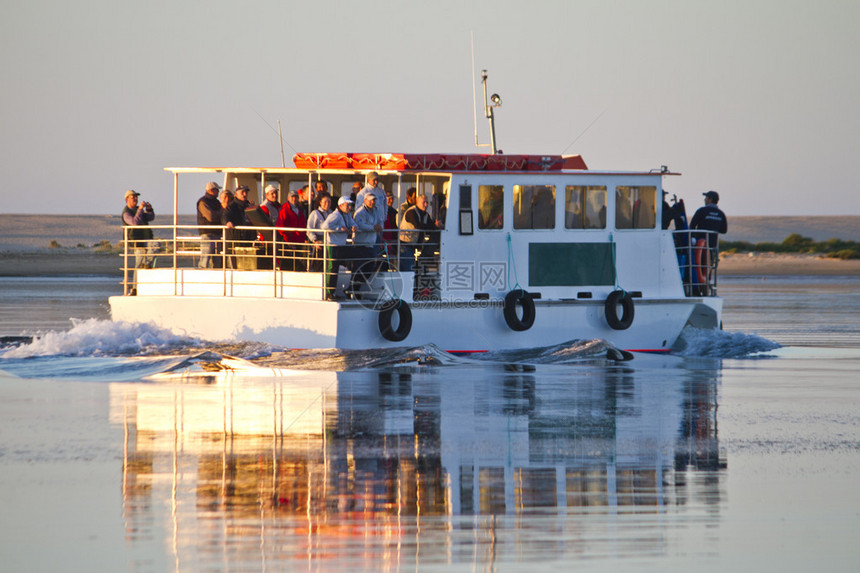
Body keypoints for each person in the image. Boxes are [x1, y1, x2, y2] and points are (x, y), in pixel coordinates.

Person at [689, 190, 728, 294]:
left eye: (706, 198)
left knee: (697, 266)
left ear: (710, 199)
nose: (704, 199)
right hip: (712, 246)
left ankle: (696, 290)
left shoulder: (702, 211)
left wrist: (692, 239)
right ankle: (706, 291)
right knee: (708, 268)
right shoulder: (721, 214)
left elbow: (692, 226)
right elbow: (724, 230)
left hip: (700, 246)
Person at [321, 196, 357, 299]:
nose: (349, 207)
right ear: (341, 205)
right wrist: (339, 229)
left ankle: (337, 291)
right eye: (347, 205)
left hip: (341, 244)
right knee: (332, 268)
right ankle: (329, 293)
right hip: (333, 245)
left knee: (338, 268)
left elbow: (352, 223)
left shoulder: (347, 215)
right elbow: (324, 226)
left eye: (350, 205)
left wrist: (354, 227)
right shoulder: (335, 215)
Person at [121, 189, 156, 295]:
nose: (135, 199)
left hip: (146, 237)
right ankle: (135, 288)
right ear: (127, 199)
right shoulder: (126, 213)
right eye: (133, 197)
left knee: (156, 245)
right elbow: (134, 222)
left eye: (136, 197)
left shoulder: (137, 209)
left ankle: (147, 264)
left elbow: (150, 218)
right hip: (136, 240)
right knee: (138, 263)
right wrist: (140, 209)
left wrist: (149, 210)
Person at [352, 192, 385, 296]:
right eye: (370, 200)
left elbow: (380, 221)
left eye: (374, 200)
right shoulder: (360, 212)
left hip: (371, 243)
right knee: (360, 267)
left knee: (369, 267)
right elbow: (360, 224)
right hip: (360, 244)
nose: (372, 202)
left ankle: (355, 287)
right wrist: (374, 228)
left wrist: (379, 227)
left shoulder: (376, 211)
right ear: (365, 200)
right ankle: (354, 289)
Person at [399, 193, 436, 272]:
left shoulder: (425, 215)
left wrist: (437, 225)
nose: (426, 205)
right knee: (408, 270)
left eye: (427, 202)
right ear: (417, 203)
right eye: (423, 202)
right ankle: (408, 283)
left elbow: (432, 227)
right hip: (405, 245)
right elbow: (418, 226)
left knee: (419, 269)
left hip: (415, 246)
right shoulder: (411, 212)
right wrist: (433, 226)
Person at [275, 189, 308, 271]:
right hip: (289, 242)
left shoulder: (300, 210)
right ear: (288, 198)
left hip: (299, 241)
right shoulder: (284, 210)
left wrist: (304, 239)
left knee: (298, 263)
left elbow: (303, 225)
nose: (294, 199)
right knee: (288, 263)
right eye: (292, 197)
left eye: (296, 197)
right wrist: (287, 241)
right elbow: (281, 227)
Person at [223, 185, 253, 269]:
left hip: (247, 239)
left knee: (246, 264)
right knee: (234, 263)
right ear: (236, 194)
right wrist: (227, 222)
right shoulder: (232, 206)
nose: (244, 194)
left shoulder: (249, 205)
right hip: (235, 239)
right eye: (242, 192)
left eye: (246, 192)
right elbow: (225, 216)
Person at [197, 181, 223, 268]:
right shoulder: (203, 202)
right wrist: (219, 213)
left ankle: (215, 273)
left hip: (216, 233)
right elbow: (210, 217)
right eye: (217, 190)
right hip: (207, 233)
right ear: (211, 190)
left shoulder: (216, 202)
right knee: (205, 256)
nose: (218, 192)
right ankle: (202, 272)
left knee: (217, 258)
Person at [306, 193, 333, 272]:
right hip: (319, 242)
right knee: (319, 265)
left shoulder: (332, 214)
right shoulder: (315, 213)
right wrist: (315, 241)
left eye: (329, 202)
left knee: (330, 265)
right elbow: (309, 229)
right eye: (325, 202)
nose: (327, 204)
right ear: (320, 202)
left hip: (330, 242)